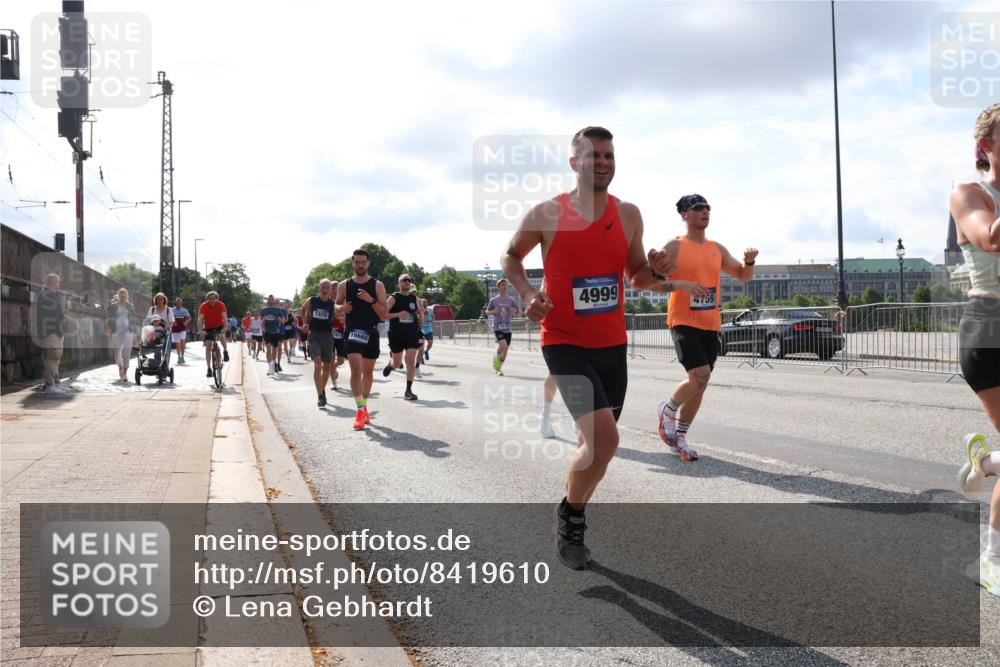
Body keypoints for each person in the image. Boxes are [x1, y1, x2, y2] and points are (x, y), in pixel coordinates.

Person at [500, 126, 690, 570]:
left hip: (611, 346)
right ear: (574, 163)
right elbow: (510, 256)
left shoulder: (628, 215)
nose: (603, 161)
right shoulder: (548, 213)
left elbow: (637, 276)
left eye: (608, 154)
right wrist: (529, 294)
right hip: (564, 344)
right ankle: (573, 518)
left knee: (595, 447)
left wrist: (659, 270)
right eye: (593, 155)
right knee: (606, 441)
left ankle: (569, 504)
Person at [651, 194, 757, 461]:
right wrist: (678, 283)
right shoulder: (675, 246)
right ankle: (668, 411)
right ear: (684, 215)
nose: (705, 211)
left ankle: (681, 438)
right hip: (683, 320)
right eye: (698, 208)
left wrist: (749, 262)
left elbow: (743, 276)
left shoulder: (716, 248)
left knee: (702, 383)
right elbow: (654, 284)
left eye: (707, 208)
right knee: (698, 375)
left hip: (710, 323)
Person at [951, 102, 1000, 596]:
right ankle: (991, 560)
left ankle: (987, 464)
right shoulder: (969, 193)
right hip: (989, 329)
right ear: (987, 147)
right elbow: (989, 238)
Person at [336, 248, 390, 430]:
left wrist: (370, 300)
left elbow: (384, 313)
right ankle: (359, 410)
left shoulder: (377, 286)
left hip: (371, 332)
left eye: (363, 262)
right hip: (352, 332)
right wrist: (341, 308)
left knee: (367, 373)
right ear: (352, 263)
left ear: (368, 263)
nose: (360, 265)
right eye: (356, 262)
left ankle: (364, 404)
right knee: (355, 371)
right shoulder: (344, 285)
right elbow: (335, 306)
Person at [382, 274, 423, 400]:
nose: (407, 282)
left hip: (411, 333)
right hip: (396, 334)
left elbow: (419, 313)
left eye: (409, 280)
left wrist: (420, 317)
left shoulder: (414, 298)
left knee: (410, 359)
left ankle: (408, 390)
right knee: (397, 362)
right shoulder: (394, 298)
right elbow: (383, 315)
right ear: (399, 283)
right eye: (404, 280)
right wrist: (398, 314)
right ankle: (391, 364)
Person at [302, 279, 340, 408]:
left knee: (327, 367)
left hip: (328, 336)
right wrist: (304, 324)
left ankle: (322, 390)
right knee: (317, 363)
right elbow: (302, 309)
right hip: (314, 335)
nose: (325, 289)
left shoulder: (332, 303)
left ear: (330, 289)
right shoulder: (312, 300)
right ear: (319, 288)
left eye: (327, 287)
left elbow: (339, 315)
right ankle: (320, 396)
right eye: (323, 287)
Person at [36, 273, 70, 394]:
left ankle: (55, 383)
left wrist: (62, 317)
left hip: (55, 331)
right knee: (52, 356)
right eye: (58, 282)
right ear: (53, 283)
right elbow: (49, 314)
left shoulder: (50, 294)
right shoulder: (46, 294)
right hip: (51, 331)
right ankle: (50, 385)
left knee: (55, 357)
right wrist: (62, 318)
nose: (59, 284)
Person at [485, 279, 519, 376]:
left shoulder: (511, 300)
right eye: (503, 285)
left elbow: (518, 311)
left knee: (506, 349)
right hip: (497, 327)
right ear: (499, 287)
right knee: (503, 345)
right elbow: (486, 312)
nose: (505, 286)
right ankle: (496, 362)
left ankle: (498, 368)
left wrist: (514, 311)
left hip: (508, 327)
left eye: (506, 285)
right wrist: (494, 312)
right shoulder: (494, 300)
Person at [107, 288, 138, 382]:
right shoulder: (113, 306)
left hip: (128, 332)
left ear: (127, 296)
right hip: (116, 331)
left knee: (127, 353)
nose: (123, 297)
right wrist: (109, 329)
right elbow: (110, 318)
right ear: (118, 296)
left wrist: (134, 330)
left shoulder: (130, 306)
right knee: (116, 354)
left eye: (124, 295)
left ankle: (124, 373)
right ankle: (120, 366)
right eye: (121, 295)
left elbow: (133, 318)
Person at [197, 291, 230, 377]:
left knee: (222, 335)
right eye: (210, 299)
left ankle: (225, 351)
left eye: (213, 298)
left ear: (216, 298)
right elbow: (200, 319)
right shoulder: (203, 306)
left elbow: (225, 318)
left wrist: (225, 328)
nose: (212, 300)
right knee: (208, 346)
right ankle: (209, 368)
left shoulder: (221, 305)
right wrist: (200, 330)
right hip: (208, 327)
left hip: (219, 325)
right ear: (207, 299)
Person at [260, 295, 286, 375]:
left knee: (274, 350)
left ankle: (273, 364)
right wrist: (263, 322)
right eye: (269, 299)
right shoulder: (264, 310)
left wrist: (280, 320)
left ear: (274, 301)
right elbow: (261, 321)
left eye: (272, 299)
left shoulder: (278, 310)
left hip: (276, 332)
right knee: (268, 348)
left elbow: (284, 321)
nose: (270, 301)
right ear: (267, 301)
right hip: (267, 332)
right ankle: (270, 367)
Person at [331, 281, 347, 391]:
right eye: (333, 287)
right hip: (329, 334)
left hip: (341, 333)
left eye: (337, 288)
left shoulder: (344, 301)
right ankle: (334, 383)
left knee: (341, 360)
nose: (335, 290)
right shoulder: (327, 302)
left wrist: (345, 321)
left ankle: (333, 368)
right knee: (331, 358)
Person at [171, 297, 191, 364]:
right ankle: (179, 357)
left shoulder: (184, 310)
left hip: (182, 328)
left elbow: (189, 318)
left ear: (182, 303)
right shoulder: (172, 310)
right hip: (175, 329)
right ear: (175, 303)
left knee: (182, 341)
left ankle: (182, 356)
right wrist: (173, 322)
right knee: (177, 343)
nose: (179, 304)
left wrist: (186, 322)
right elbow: (169, 318)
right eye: (177, 303)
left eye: (180, 303)